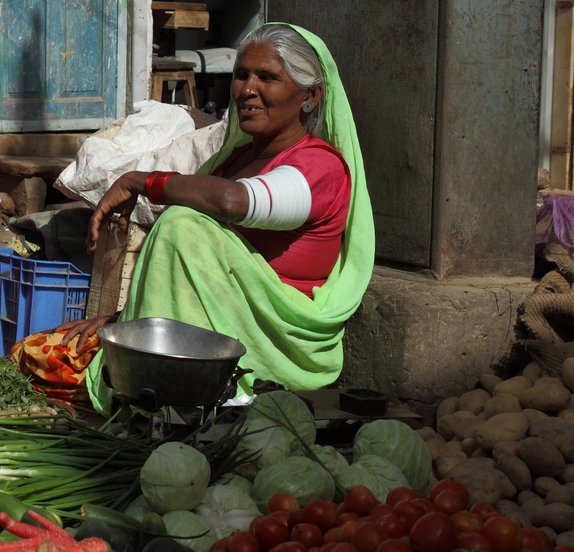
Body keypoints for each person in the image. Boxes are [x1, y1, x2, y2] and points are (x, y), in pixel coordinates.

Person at [58, 23, 373, 394]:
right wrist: (124, 321)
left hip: (275, 346)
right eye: (241, 75)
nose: (248, 90)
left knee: (183, 226)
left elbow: (233, 202)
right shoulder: (235, 161)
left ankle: (192, 391)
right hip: (212, 335)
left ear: (311, 96)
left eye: (267, 77)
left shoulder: (320, 168)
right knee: (49, 354)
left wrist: (141, 181)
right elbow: (197, 277)